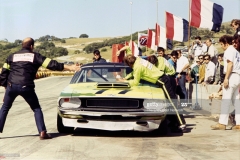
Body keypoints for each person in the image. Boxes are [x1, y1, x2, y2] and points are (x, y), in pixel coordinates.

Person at [0, 37, 80, 139]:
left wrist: (6, 89)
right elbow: (52, 64)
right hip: (26, 86)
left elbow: (4, 73)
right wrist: (70, 67)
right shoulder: (35, 56)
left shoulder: (11, 56)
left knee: (5, 107)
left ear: (22, 45)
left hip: (12, 85)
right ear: (32, 46)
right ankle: (42, 132)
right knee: (36, 109)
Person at [117, 55, 186, 131]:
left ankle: (182, 124)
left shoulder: (138, 68)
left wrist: (124, 81)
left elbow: (135, 82)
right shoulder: (139, 60)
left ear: (129, 64)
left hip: (162, 81)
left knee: (172, 102)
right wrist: (125, 77)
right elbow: (133, 72)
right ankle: (175, 123)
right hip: (163, 78)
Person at [211, 35, 240, 131]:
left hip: (231, 76)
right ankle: (239, 123)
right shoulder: (236, 52)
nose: (221, 46)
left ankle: (222, 123)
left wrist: (226, 78)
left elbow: (230, 64)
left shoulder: (229, 51)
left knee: (226, 100)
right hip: (238, 76)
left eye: (222, 44)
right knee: (237, 101)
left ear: (226, 43)